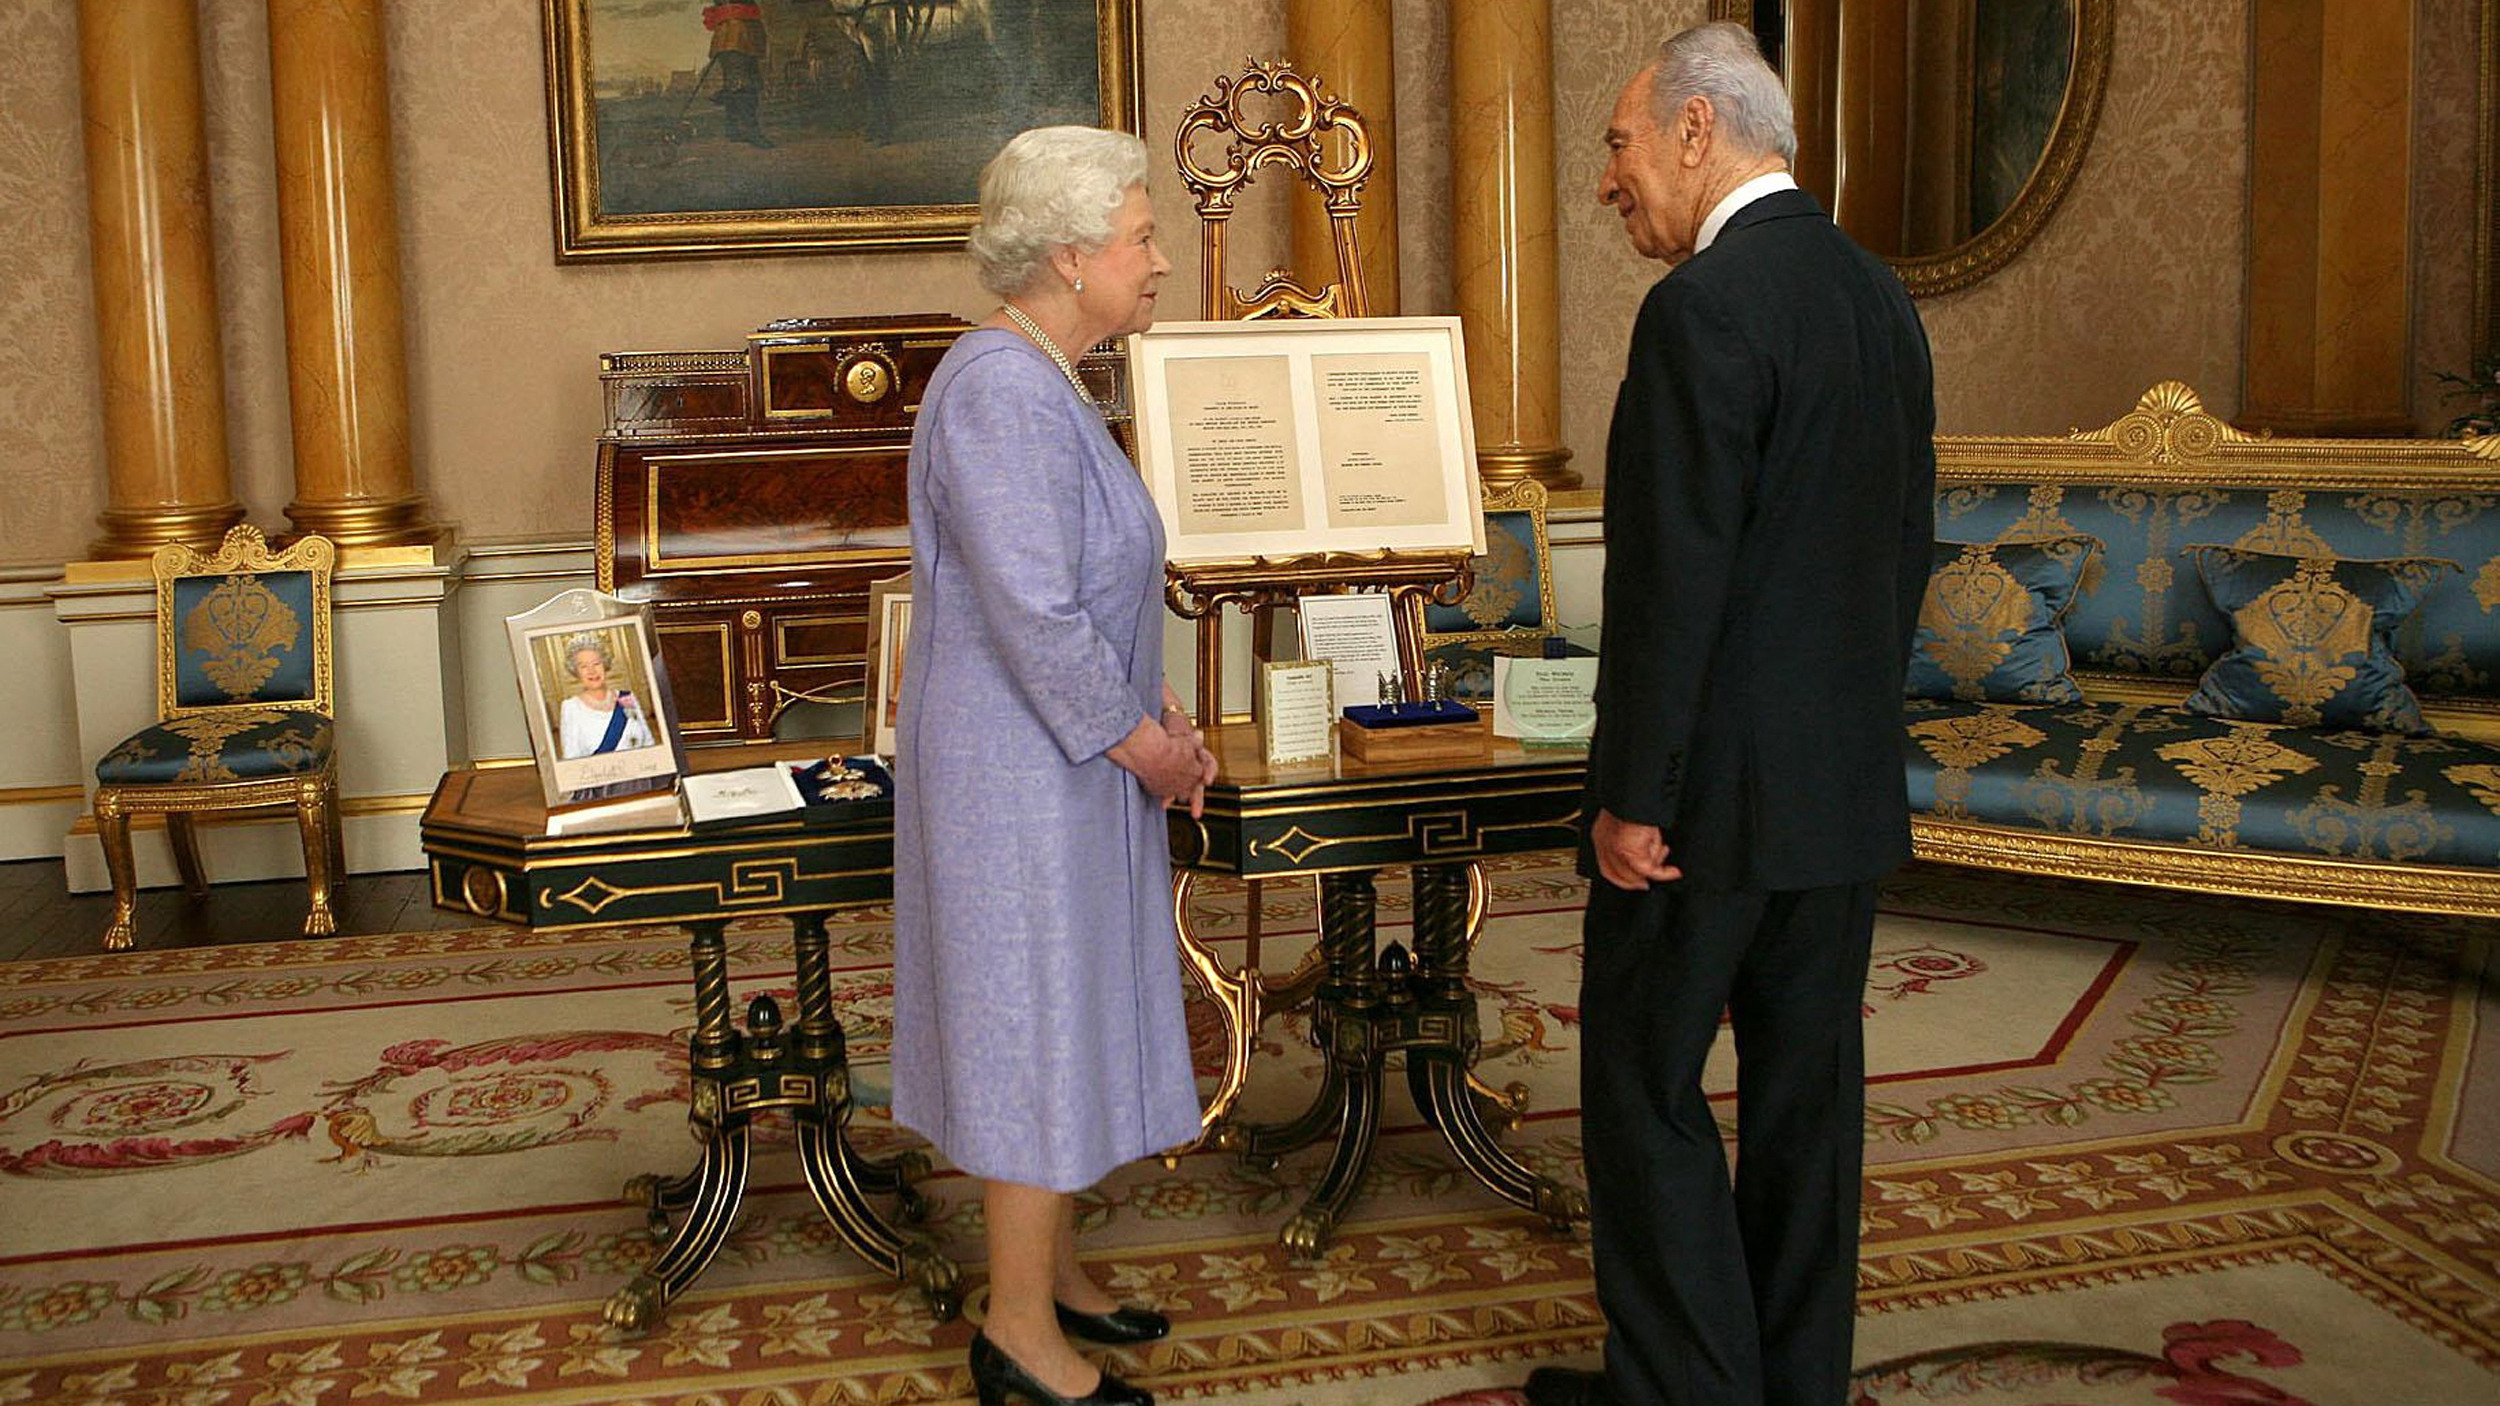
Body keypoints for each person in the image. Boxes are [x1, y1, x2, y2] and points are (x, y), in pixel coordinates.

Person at [1526, 22, 1936, 1406]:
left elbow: (1672, 579)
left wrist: (1632, 792)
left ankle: (1689, 1388)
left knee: (1642, 1089)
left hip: (1702, 810)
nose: (1608, 181)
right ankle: (1792, 1380)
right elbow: (1898, 555)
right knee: (1807, 1104)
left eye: (1619, 143)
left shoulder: (1703, 307)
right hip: (1840, 792)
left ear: (1699, 132)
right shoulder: (1879, 296)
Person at [888, 125, 1212, 1406]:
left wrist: (1152, 717)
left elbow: (1092, 587)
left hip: (1059, 760)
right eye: (1142, 236)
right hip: (1017, 779)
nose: (1160, 260)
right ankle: (1018, 1331)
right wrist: (1144, 743)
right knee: (1028, 1029)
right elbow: (1031, 606)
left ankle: (1058, 1273)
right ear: (1072, 256)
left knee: (1061, 1010)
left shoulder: (1043, 376)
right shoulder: (1000, 387)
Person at [554, 634, 654, 761]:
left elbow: (648, 741)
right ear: (576, 671)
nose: (592, 671)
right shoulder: (571, 707)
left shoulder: (627, 698)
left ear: (605, 665)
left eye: (596, 664)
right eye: (583, 666)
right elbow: (572, 758)